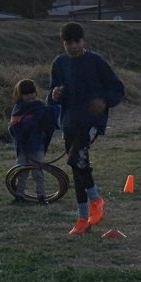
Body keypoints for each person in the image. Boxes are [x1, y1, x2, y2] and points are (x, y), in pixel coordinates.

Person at [48, 22, 124, 235]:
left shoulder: (95, 61)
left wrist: (105, 101)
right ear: (63, 43)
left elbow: (117, 88)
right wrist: (55, 95)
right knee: (77, 166)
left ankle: (96, 200)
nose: (72, 46)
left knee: (75, 158)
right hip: (69, 121)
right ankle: (83, 218)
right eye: (68, 42)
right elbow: (51, 92)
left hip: (91, 121)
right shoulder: (59, 63)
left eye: (76, 42)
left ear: (83, 41)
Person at [9, 78, 60, 203]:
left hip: (37, 146)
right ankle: (19, 195)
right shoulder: (18, 108)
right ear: (20, 95)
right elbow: (13, 127)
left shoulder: (41, 108)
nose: (30, 96)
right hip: (23, 148)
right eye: (26, 94)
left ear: (35, 93)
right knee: (22, 172)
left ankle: (41, 196)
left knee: (38, 172)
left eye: (32, 93)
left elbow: (49, 120)